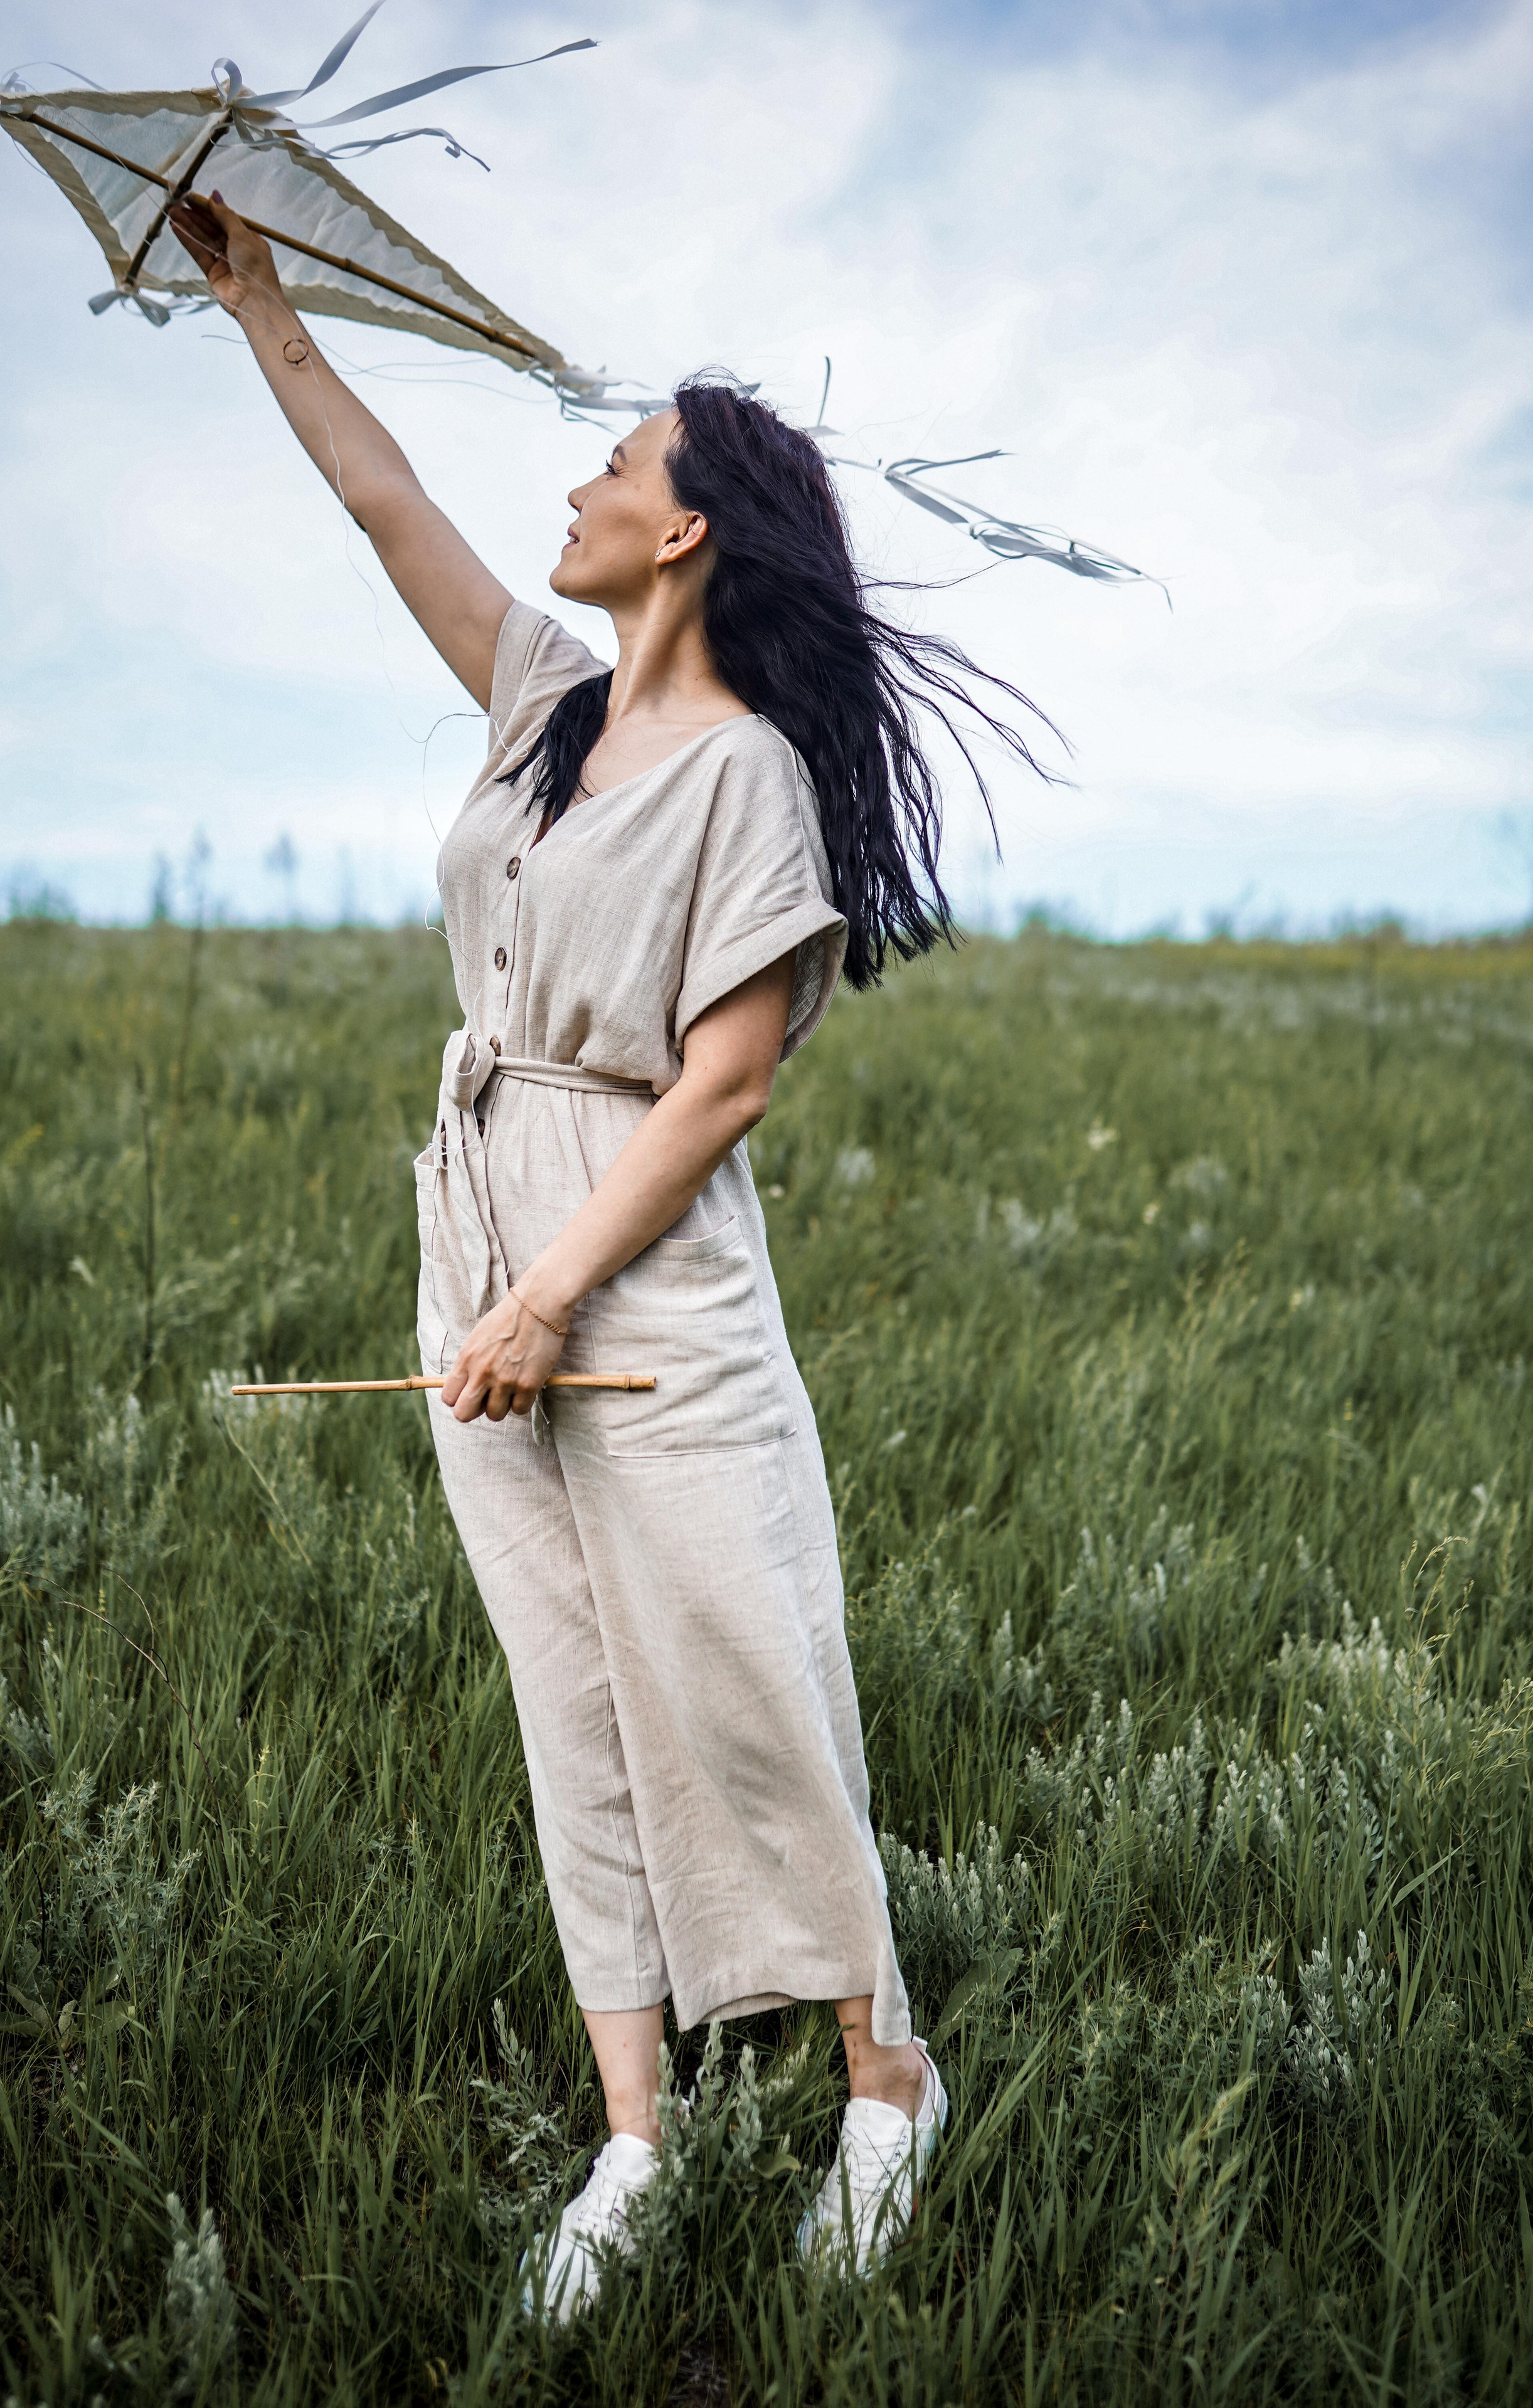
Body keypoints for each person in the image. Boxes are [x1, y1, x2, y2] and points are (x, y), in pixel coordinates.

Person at [169, 187, 1055, 2318]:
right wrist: (262, 303)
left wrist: (549, 1293)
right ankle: (635, 2141)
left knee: (746, 1670)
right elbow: (387, 511)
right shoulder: (549, 701)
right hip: (478, 1212)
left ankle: (886, 2076)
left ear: (685, 535)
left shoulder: (748, 776)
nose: (572, 481)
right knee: (570, 1692)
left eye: (613, 463)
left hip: (636, 1274)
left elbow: (724, 1085)